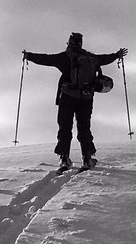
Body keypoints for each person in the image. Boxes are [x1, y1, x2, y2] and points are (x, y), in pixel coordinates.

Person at [23, 32, 127, 171]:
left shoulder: (66, 57)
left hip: (67, 97)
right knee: (84, 128)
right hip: (86, 98)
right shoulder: (91, 57)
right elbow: (104, 58)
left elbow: (46, 59)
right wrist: (116, 55)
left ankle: (64, 158)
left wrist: (29, 56)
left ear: (69, 43)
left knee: (65, 128)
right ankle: (87, 158)